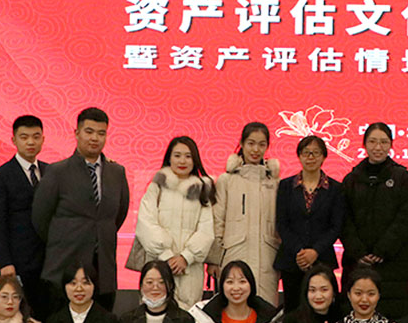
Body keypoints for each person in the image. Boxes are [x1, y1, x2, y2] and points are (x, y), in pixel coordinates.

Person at [33, 107, 129, 311]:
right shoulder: (57, 171)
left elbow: (118, 215)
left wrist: (99, 233)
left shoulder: (117, 172)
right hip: (64, 269)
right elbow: (40, 219)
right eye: (89, 131)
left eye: (101, 133)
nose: (95, 138)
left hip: (103, 270)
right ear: (77, 133)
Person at [341, 123, 408, 319]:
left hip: (395, 264)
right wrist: (358, 251)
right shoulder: (351, 179)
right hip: (357, 262)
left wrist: (382, 250)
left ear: (391, 145)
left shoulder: (402, 177)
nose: (378, 147)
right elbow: (344, 219)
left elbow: (405, 218)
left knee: (394, 320)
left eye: (384, 142)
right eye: (373, 142)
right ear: (364, 144)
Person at [135, 136, 216, 310]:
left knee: (188, 314)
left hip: (190, 269)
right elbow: (146, 223)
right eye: (177, 155)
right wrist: (167, 256)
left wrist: (186, 257)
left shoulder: (202, 190)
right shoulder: (156, 187)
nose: (182, 161)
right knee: (156, 311)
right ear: (169, 158)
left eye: (188, 156)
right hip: (158, 265)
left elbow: (206, 230)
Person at [207, 122, 281, 306]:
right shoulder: (227, 180)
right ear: (241, 143)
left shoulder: (275, 183)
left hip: (267, 257)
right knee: (233, 306)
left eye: (261, 144)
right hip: (234, 253)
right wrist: (214, 260)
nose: (256, 149)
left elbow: (280, 224)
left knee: (266, 308)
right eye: (251, 143)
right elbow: (217, 220)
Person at [0, 114, 50, 321]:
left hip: (49, 262)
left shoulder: (52, 172)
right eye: (24, 137)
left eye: (36, 137)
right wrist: (4, 261)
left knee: (46, 317)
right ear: (14, 140)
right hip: (18, 262)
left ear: (43, 139)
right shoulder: (0, 176)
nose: (30, 142)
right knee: (17, 317)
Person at [275, 136, 345, 312]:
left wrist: (315, 251)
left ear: (324, 156)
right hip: (292, 260)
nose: (310, 157)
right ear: (299, 156)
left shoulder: (335, 189)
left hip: (322, 258)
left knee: (323, 310)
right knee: (293, 310)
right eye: (306, 153)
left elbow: (336, 226)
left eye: (316, 153)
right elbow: (282, 224)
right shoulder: (285, 186)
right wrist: (300, 251)